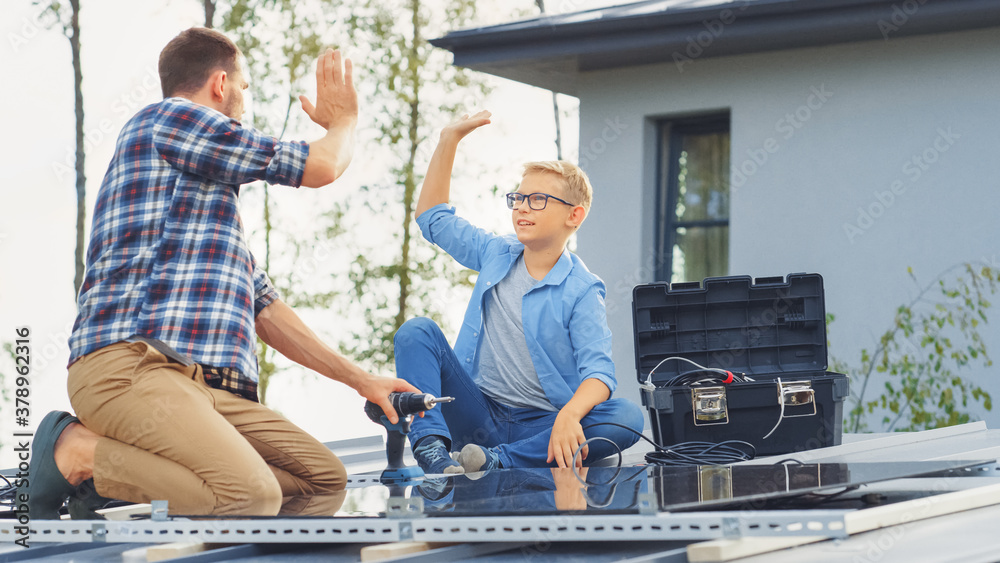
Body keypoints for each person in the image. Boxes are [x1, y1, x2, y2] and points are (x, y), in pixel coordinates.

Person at [22, 27, 418, 519]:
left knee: (321, 482)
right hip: (132, 367)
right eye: (244, 89)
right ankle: (78, 454)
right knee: (251, 495)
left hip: (201, 389)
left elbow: (266, 310)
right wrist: (346, 121)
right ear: (220, 83)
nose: (244, 103)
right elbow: (320, 166)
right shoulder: (170, 118)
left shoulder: (209, 217)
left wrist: (363, 381)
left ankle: (142, 474)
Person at [394, 111, 645, 475]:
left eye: (538, 199)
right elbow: (433, 219)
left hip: (542, 428)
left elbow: (600, 375)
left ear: (574, 216)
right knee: (417, 331)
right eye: (518, 197)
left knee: (626, 416)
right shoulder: (496, 252)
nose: (522, 206)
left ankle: (498, 461)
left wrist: (570, 415)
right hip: (476, 414)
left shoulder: (582, 289)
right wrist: (448, 139)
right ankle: (432, 448)